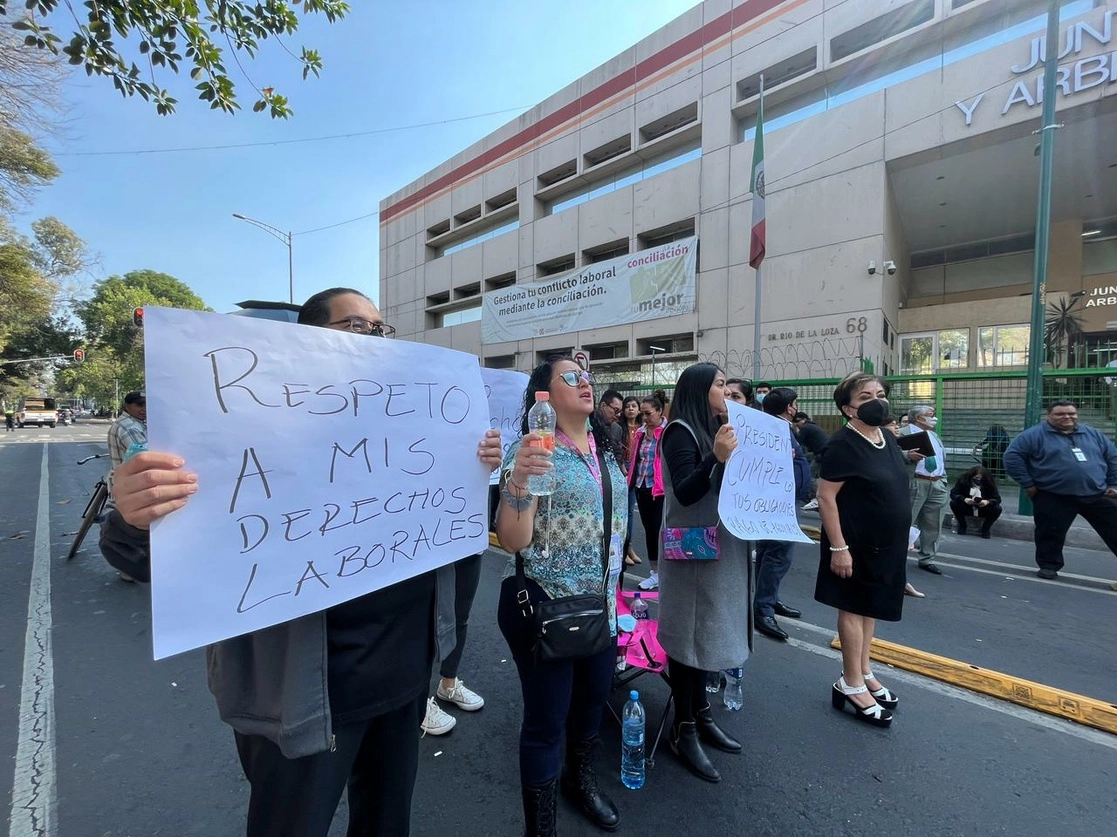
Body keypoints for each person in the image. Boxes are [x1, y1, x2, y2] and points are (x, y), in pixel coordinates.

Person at [105, 287, 504, 837]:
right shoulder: (249, 427)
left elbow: (461, 532)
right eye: (357, 326)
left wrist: (473, 466)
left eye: (381, 329)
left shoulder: (418, 422)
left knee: (387, 822)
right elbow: (156, 553)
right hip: (303, 694)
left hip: (402, 678)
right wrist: (133, 514)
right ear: (306, 339)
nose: (376, 338)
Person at [495, 356, 627, 835]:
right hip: (549, 608)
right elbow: (513, 540)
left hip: (603, 608)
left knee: (592, 705)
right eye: (570, 377)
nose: (585, 382)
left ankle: (582, 782)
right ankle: (541, 825)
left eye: (586, 375)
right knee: (546, 721)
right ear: (542, 397)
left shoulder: (608, 449)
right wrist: (518, 482)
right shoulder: (533, 449)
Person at [658, 362, 747, 783]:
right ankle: (684, 727)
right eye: (719, 383)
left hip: (719, 545)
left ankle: (702, 714)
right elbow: (687, 490)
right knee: (688, 635)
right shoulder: (680, 430)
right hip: (692, 547)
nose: (726, 390)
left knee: (707, 631)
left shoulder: (720, 426)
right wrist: (716, 456)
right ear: (698, 389)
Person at [815, 372, 912, 729]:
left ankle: (864, 671)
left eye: (880, 394)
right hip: (854, 544)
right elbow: (826, 497)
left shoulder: (884, 436)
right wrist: (839, 547)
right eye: (866, 396)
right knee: (853, 609)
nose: (877, 401)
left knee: (869, 609)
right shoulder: (842, 444)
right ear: (847, 408)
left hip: (885, 545)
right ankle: (850, 682)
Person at [1003, 400, 1117, 580]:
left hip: (1096, 493)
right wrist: (1028, 483)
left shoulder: (1093, 434)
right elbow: (1012, 457)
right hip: (1054, 495)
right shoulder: (1033, 435)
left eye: (1071, 414)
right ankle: (1049, 566)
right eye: (1060, 414)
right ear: (1049, 416)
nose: (1067, 417)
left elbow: (1112, 458)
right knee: (1050, 533)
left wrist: (1114, 484)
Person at [753, 387, 809, 641]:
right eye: (795, 404)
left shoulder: (782, 427)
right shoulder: (774, 429)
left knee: (769, 552)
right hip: (778, 502)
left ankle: (768, 599)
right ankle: (763, 609)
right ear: (789, 407)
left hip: (784, 500)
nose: (796, 407)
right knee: (779, 554)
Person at [419, 552, 486, 736]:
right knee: (422, 619)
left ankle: (449, 684)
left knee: (460, 612)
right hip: (428, 540)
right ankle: (417, 702)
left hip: (467, 537)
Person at [883, 416, 923, 598]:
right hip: (884, 503)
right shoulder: (878, 446)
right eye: (892, 424)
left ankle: (900, 580)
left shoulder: (897, 445)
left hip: (899, 497)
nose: (897, 427)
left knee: (901, 544)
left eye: (897, 424)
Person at [905, 404, 947, 575]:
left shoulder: (934, 435)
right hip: (916, 482)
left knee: (933, 524)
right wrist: (906, 456)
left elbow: (941, 458)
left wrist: (942, 480)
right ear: (918, 418)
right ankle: (895, 555)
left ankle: (927, 558)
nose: (934, 418)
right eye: (930, 415)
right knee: (905, 521)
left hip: (936, 483)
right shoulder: (902, 433)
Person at [631, 393, 666, 590]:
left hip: (659, 489)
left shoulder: (667, 431)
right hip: (641, 485)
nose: (644, 417)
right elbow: (637, 457)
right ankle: (655, 572)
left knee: (660, 530)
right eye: (642, 414)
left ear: (659, 411)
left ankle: (664, 572)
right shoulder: (641, 433)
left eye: (648, 413)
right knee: (649, 531)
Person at [620, 395, 643, 566]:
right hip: (621, 467)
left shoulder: (642, 429)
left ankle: (629, 547)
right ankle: (623, 548)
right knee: (620, 511)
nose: (630, 409)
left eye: (634, 406)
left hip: (635, 469)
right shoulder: (619, 428)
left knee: (629, 511)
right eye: (627, 406)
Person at [949, 467, 1002, 539]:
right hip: (967, 507)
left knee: (997, 509)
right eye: (976, 478)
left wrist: (987, 502)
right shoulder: (963, 481)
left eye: (981, 478)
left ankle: (985, 529)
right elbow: (954, 494)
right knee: (953, 503)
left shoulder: (989, 484)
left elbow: (997, 499)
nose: (978, 480)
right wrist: (964, 499)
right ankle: (962, 525)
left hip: (983, 508)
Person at [793, 411, 829, 511]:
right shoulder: (812, 426)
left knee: (810, 475)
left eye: (797, 421)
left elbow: (798, 443)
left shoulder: (805, 428)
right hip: (824, 453)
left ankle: (816, 498)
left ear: (803, 420)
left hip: (821, 454)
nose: (796, 424)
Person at [107, 392, 148, 471]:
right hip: (133, 479)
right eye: (140, 405)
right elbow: (144, 459)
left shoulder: (123, 422)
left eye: (147, 405)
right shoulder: (131, 427)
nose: (145, 409)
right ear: (126, 406)